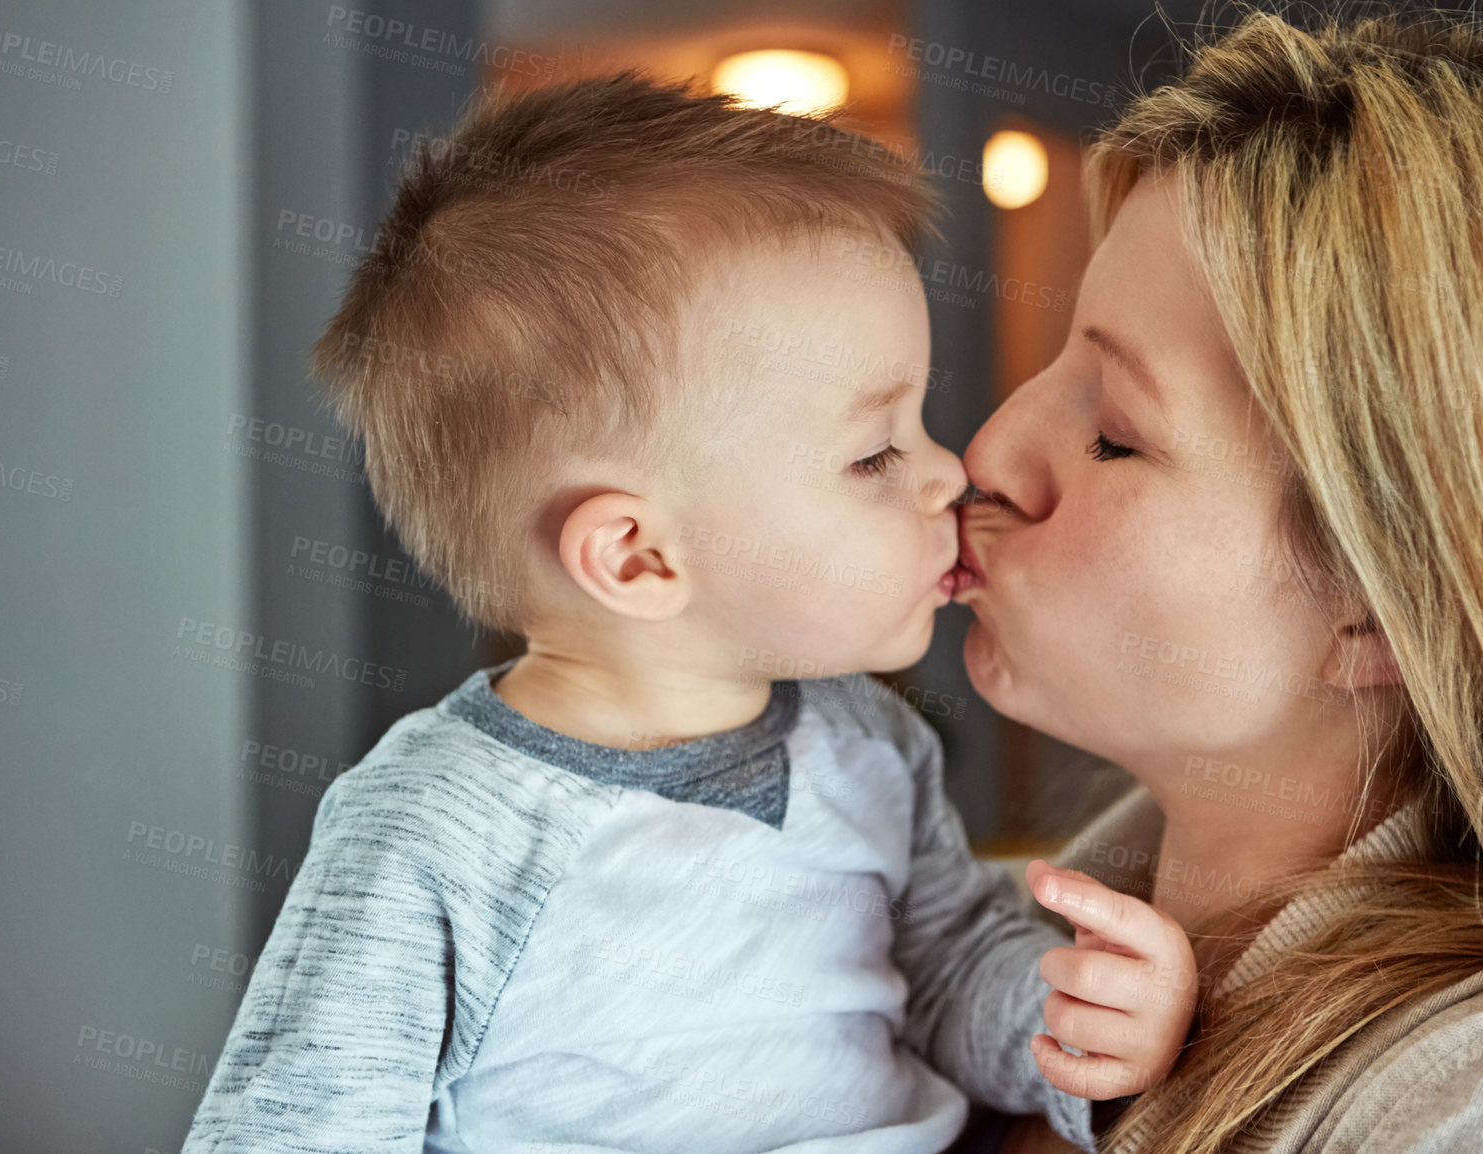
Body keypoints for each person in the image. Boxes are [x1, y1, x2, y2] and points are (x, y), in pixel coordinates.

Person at [181, 73, 1197, 1154]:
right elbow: (295, 1126)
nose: (951, 472)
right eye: (872, 453)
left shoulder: (868, 743)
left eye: (919, 422)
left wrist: (1070, 1025)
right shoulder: (436, 825)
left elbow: (944, 975)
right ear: (636, 554)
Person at [943, 6, 1483, 1151]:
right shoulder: (980, 935)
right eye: (1052, 359)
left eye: (1116, 434)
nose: (985, 455)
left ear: (1390, 606)